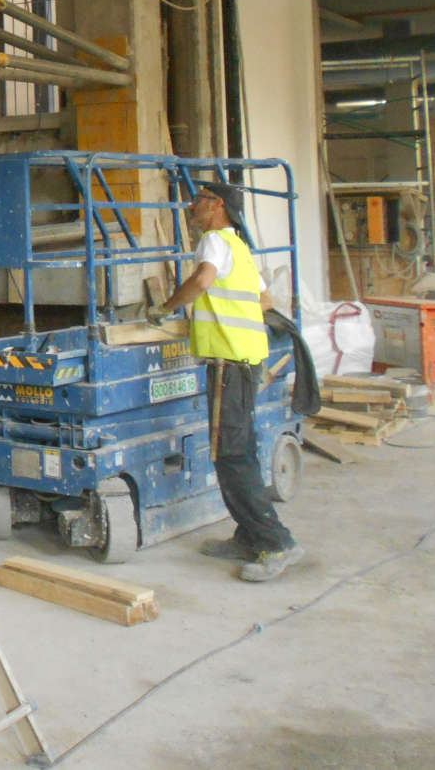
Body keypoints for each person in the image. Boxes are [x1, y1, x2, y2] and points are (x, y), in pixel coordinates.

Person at [146, 180, 303, 582]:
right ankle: (248, 535)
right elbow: (264, 301)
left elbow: (201, 281)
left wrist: (166, 309)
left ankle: (275, 541)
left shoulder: (215, 241)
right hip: (245, 361)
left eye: (198, 200)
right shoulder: (241, 249)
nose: (192, 206)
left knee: (232, 455)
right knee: (236, 450)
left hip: (229, 364)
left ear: (217, 205)